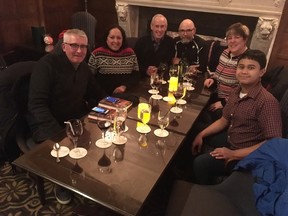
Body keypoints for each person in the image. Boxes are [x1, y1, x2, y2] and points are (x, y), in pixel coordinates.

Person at [27, 29, 106, 203]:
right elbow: (36, 105)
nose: (79, 50)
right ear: (63, 46)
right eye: (74, 45)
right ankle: (61, 183)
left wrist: (111, 106)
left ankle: (87, 178)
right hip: (47, 123)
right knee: (67, 151)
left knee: (97, 141)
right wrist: (58, 135)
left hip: (73, 119)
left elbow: (96, 92)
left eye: (83, 46)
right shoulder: (46, 65)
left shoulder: (83, 67)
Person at [191, 49, 282, 185]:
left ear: (261, 72)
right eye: (241, 67)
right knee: (194, 132)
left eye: (251, 68)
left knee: (201, 163)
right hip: (232, 138)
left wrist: (232, 154)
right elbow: (223, 120)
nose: (244, 71)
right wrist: (201, 134)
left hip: (247, 156)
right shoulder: (236, 92)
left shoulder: (267, 101)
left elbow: (273, 142)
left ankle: (206, 191)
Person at [202, 22, 250, 123]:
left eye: (236, 37)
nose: (232, 41)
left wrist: (223, 103)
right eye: (229, 38)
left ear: (245, 39)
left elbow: (245, 91)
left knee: (207, 116)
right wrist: (213, 79)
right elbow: (218, 73)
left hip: (232, 103)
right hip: (216, 94)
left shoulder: (247, 61)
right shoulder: (225, 53)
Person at [88, 25, 140, 95]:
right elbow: (90, 79)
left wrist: (124, 87)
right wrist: (104, 96)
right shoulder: (97, 54)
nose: (115, 41)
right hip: (101, 96)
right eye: (112, 37)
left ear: (123, 39)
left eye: (119, 38)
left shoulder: (130, 53)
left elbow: (136, 76)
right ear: (106, 39)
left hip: (125, 95)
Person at [134, 14, 175, 78]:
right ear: (151, 27)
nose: (159, 30)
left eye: (162, 26)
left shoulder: (170, 42)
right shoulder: (141, 42)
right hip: (143, 78)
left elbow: (170, 64)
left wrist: (159, 69)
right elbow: (134, 64)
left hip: (162, 78)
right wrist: (146, 70)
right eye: (157, 26)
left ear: (166, 27)